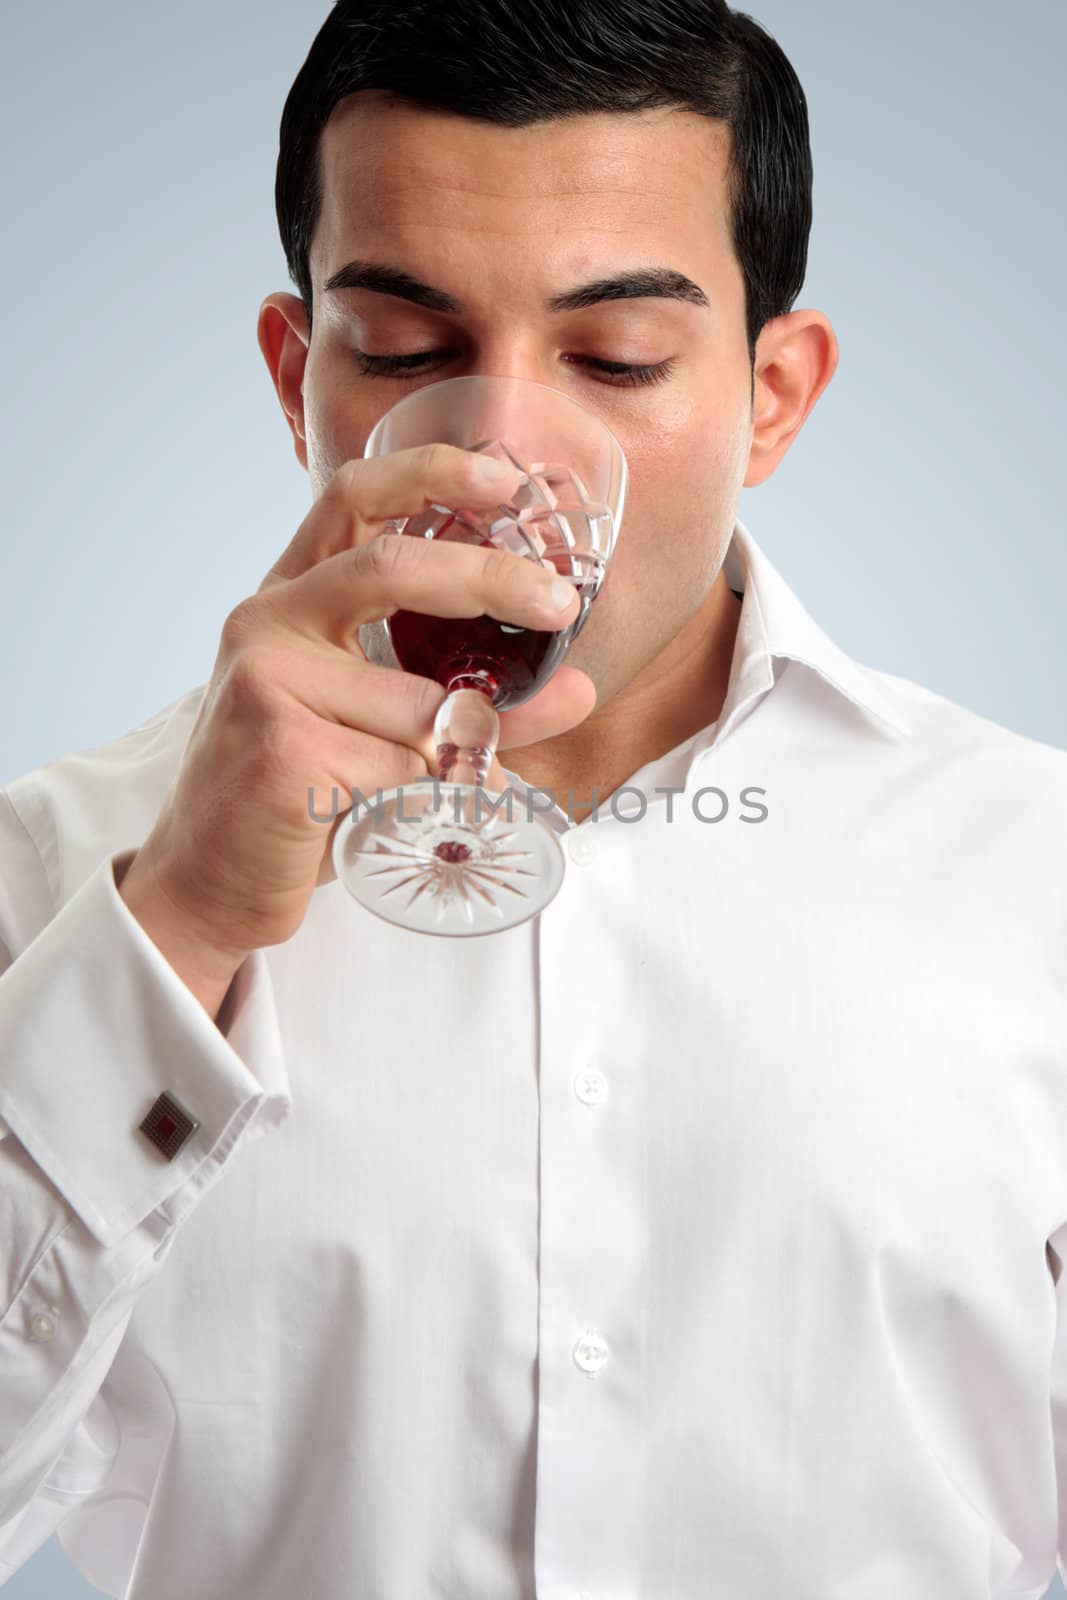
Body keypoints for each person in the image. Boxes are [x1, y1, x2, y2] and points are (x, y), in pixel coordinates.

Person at [1, 1, 1065, 1595]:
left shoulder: (1032, 870)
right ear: (300, 376)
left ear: (774, 395)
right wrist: (182, 929)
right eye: (411, 353)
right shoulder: (57, 871)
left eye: (617, 357)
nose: (502, 455)